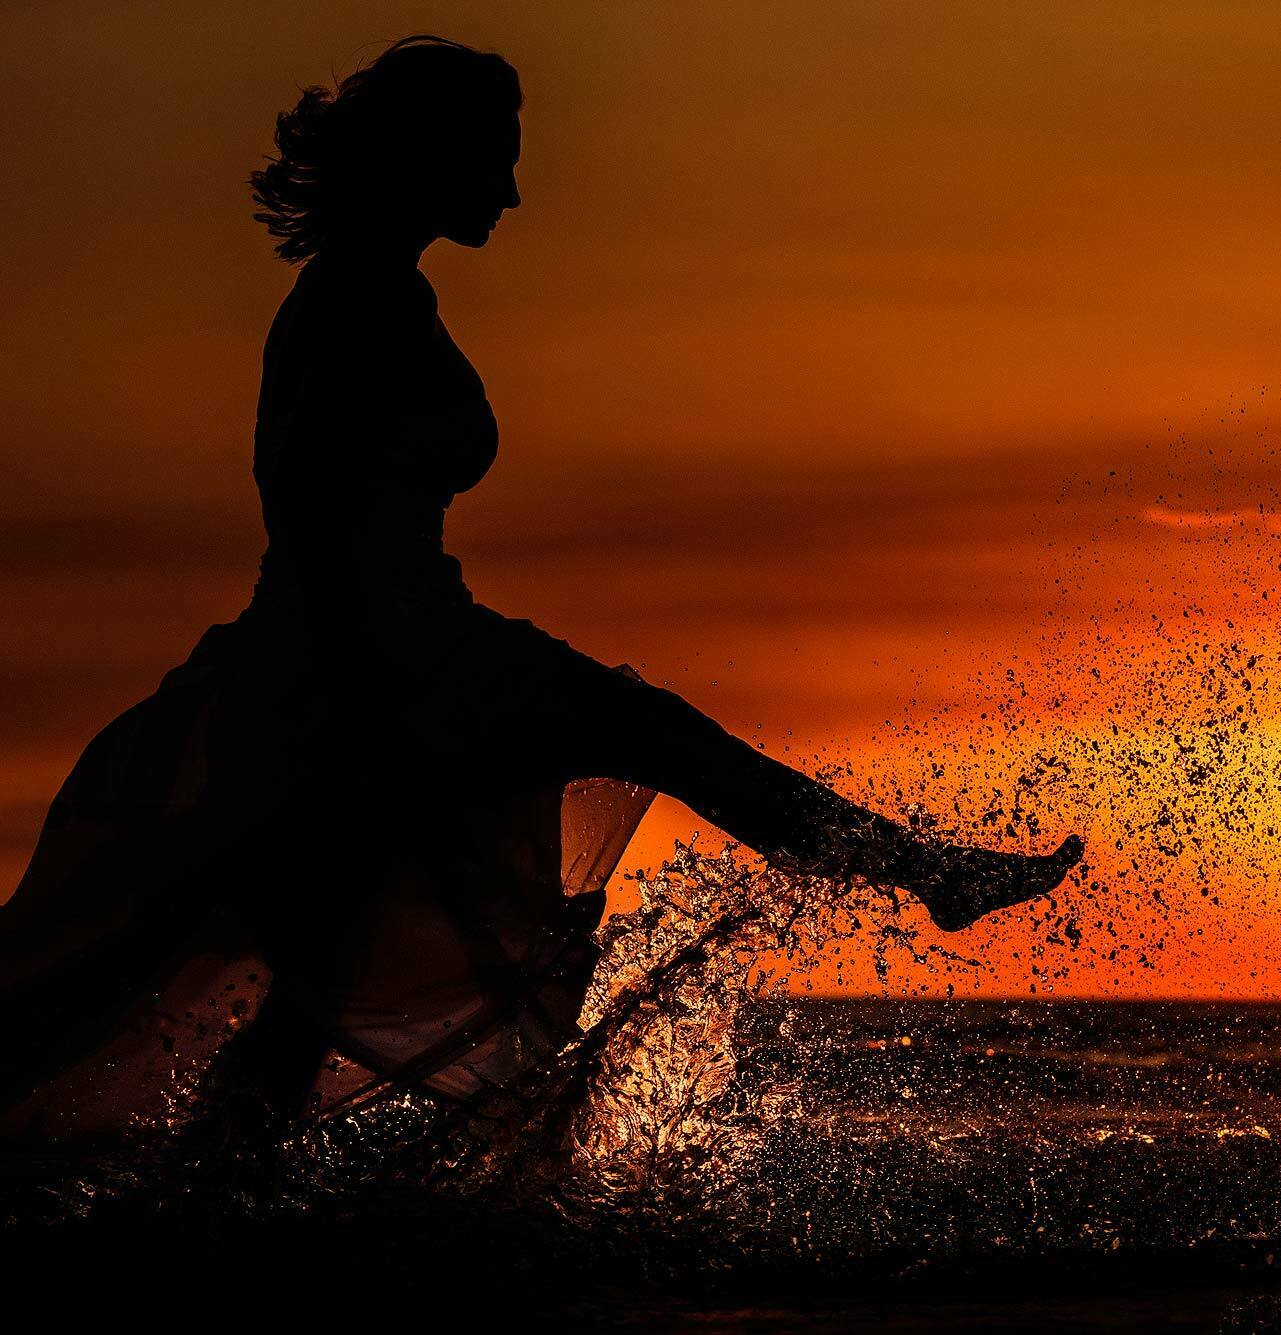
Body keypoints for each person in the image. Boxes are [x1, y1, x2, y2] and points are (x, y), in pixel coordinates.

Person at [0, 36, 1081, 1143]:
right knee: (638, 744)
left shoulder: (381, 291)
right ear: (430, 155)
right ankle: (919, 870)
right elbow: (310, 508)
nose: (513, 193)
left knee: (298, 976)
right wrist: (371, 696)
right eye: (494, 159)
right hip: (377, 661)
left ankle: (215, 1213)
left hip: (394, 647)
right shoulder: (353, 304)